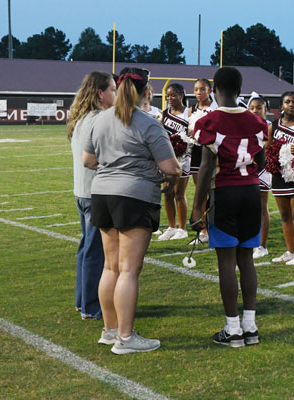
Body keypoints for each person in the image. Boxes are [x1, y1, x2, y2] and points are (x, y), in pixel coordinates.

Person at [83, 67, 181, 354]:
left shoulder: (99, 119)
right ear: (146, 92)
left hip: (102, 193)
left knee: (110, 266)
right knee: (128, 270)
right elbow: (171, 168)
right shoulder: (147, 123)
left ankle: (110, 330)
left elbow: (89, 160)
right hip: (134, 196)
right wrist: (169, 178)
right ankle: (125, 338)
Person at [190, 67, 267, 347]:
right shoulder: (257, 121)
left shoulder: (209, 121)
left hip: (224, 192)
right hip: (252, 191)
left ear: (214, 89)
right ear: (239, 89)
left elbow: (206, 167)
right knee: (246, 259)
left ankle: (233, 328)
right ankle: (251, 326)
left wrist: (197, 207)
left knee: (226, 262)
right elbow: (261, 161)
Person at [68, 71, 116, 320]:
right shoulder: (100, 118)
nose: (116, 95)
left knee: (86, 247)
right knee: (96, 251)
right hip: (94, 192)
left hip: (82, 191)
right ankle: (91, 306)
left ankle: (82, 301)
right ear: (100, 93)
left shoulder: (81, 117)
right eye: (113, 90)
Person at [269, 92, 294, 266]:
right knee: (285, 215)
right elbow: (269, 148)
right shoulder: (274, 126)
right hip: (279, 175)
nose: (291, 104)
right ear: (282, 106)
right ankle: (290, 251)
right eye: (287, 102)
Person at [158, 83, 191, 241]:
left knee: (179, 193)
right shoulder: (164, 114)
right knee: (167, 193)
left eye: (173, 95)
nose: (170, 98)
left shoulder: (189, 113)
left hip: (184, 157)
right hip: (168, 158)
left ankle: (182, 228)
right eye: (168, 96)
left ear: (181, 95)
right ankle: (171, 227)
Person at [188, 78, 217, 244]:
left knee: (212, 192)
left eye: (203, 89)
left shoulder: (216, 108)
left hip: (211, 153)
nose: (199, 93)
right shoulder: (192, 109)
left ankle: (214, 228)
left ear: (210, 91)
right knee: (200, 192)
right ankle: (203, 230)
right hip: (197, 153)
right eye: (196, 89)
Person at [248, 93, 272, 259]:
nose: (255, 110)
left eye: (258, 108)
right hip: (246, 169)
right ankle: (251, 241)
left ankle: (262, 246)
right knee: (248, 208)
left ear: (266, 110)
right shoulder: (244, 125)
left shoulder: (269, 126)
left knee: (261, 207)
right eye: (251, 108)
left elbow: (266, 149)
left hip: (263, 170)